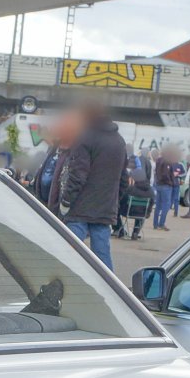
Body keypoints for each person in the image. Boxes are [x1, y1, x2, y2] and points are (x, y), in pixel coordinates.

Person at [58, 101, 125, 270]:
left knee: (69, 251)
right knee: (102, 256)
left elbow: (78, 174)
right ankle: (109, 290)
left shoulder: (85, 137)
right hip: (105, 208)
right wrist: (113, 200)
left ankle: (63, 281)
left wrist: (66, 201)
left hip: (80, 207)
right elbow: (124, 179)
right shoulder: (119, 141)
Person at [153, 146, 183, 231]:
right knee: (166, 205)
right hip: (166, 186)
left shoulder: (158, 160)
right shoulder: (167, 161)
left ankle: (155, 224)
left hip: (158, 184)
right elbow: (165, 174)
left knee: (158, 205)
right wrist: (171, 182)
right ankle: (161, 224)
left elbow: (157, 172)